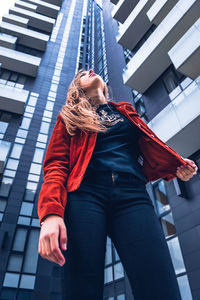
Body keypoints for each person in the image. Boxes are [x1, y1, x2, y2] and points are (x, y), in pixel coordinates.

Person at [37, 68, 198, 300]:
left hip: (133, 196)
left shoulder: (126, 112)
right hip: (85, 196)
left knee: (159, 281)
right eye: (83, 73)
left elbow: (151, 147)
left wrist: (175, 165)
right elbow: (55, 166)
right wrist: (51, 215)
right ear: (77, 88)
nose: (90, 71)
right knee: (81, 287)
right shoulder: (69, 118)